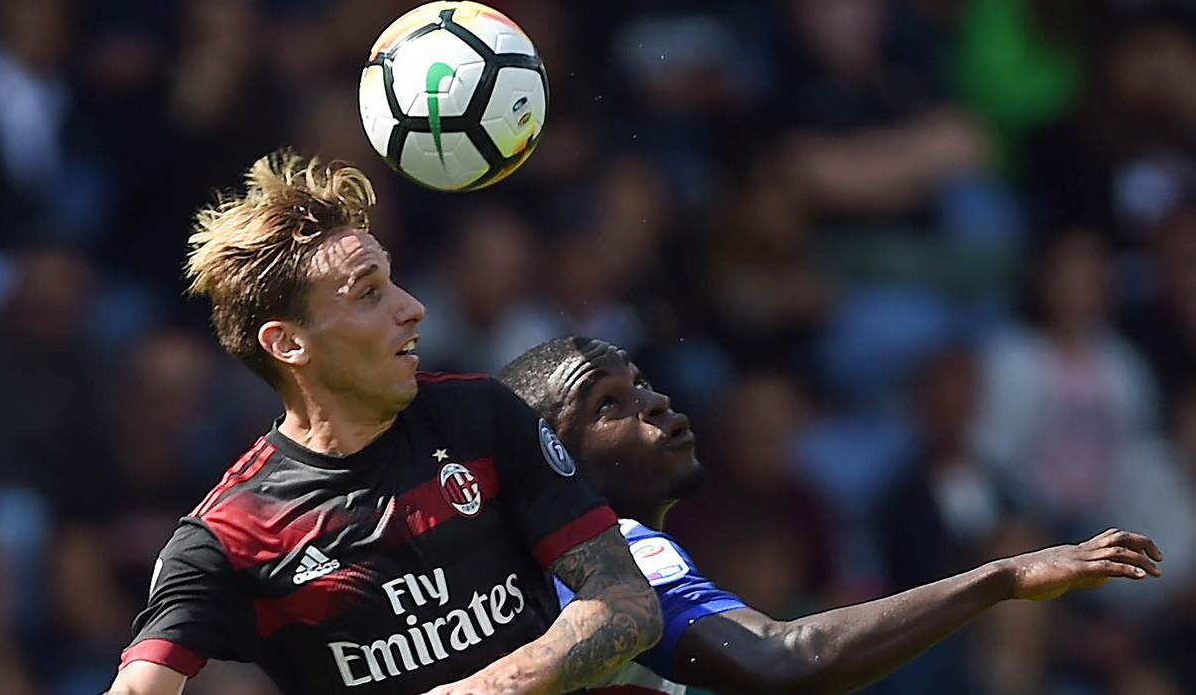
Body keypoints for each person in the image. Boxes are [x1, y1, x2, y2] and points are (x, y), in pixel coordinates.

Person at [106, 153, 662, 695]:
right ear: (288, 343)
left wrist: (487, 688)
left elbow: (627, 602)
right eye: (368, 293)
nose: (412, 307)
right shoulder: (232, 531)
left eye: (392, 281)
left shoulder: (481, 417)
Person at [498, 337, 1165, 695]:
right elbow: (782, 660)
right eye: (608, 405)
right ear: (551, 460)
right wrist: (1002, 577)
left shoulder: (520, 565)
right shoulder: (622, 554)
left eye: (640, 382)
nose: (653, 402)